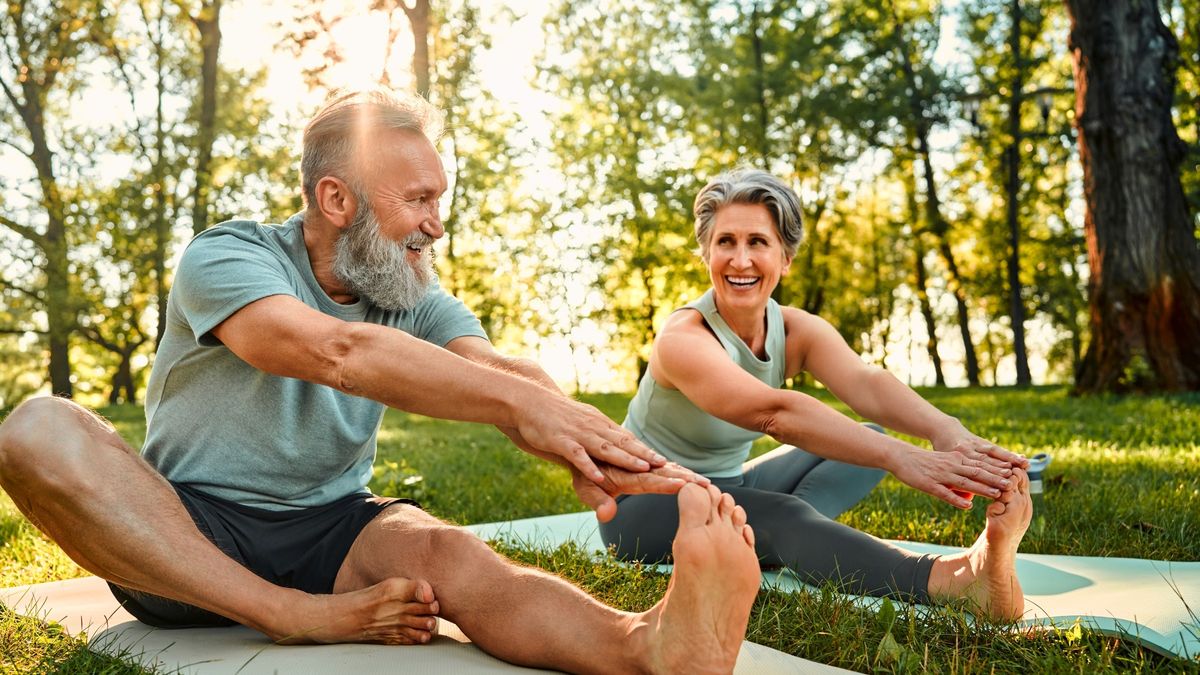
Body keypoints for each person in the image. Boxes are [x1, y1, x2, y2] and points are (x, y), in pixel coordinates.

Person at [0, 89, 763, 674]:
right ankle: (286, 612)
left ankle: (648, 646)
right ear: (337, 200)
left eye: (441, 198)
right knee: (34, 428)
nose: (437, 223)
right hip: (186, 535)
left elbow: (495, 368)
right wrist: (514, 405)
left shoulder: (409, 289)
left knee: (452, 556)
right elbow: (333, 350)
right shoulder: (228, 256)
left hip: (335, 526)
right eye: (420, 200)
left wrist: (590, 437)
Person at [599, 168, 1034, 621]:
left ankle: (772, 536)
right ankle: (957, 580)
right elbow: (774, 413)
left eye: (758, 242)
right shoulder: (683, 338)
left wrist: (947, 431)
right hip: (640, 506)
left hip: (726, 485)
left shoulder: (792, 328)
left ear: (785, 259)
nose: (740, 260)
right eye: (725, 242)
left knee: (860, 440)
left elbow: (866, 384)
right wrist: (904, 457)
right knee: (787, 513)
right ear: (706, 254)